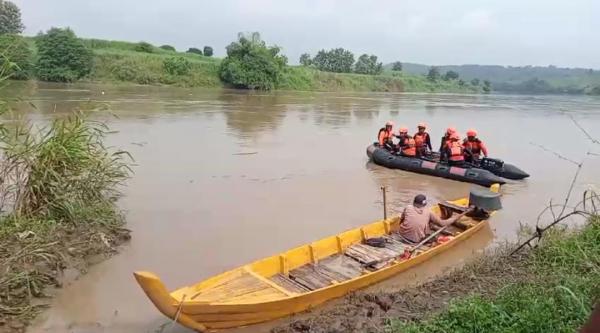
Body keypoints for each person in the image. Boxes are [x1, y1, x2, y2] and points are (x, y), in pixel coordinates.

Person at [396, 194, 470, 243]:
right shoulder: (429, 212)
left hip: (401, 234)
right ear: (424, 204)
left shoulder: (408, 207)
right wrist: (457, 216)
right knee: (433, 238)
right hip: (415, 241)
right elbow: (443, 224)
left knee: (428, 225)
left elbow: (401, 220)